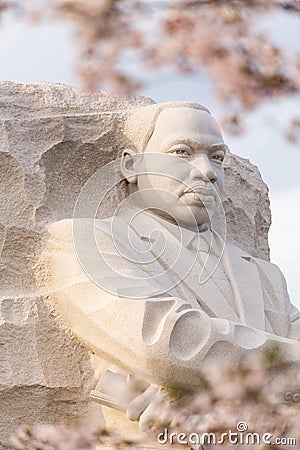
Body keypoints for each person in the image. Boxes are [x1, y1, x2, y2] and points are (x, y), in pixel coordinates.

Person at [39, 102, 300, 448]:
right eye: (182, 152)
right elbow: (165, 342)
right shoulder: (88, 242)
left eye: (217, 157)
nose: (206, 171)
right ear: (131, 165)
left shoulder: (266, 277)